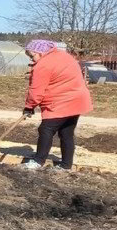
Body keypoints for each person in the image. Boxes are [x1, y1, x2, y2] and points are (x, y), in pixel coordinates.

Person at [22, 39, 93, 171]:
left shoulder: (43, 65)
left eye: (32, 56)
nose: (32, 60)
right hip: (77, 100)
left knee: (46, 129)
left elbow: (36, 90)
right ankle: (66, 165)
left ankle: (38, 161)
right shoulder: (64, 56)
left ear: (40, 52)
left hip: (61, 102)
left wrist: (29, 107)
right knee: (66, 132)